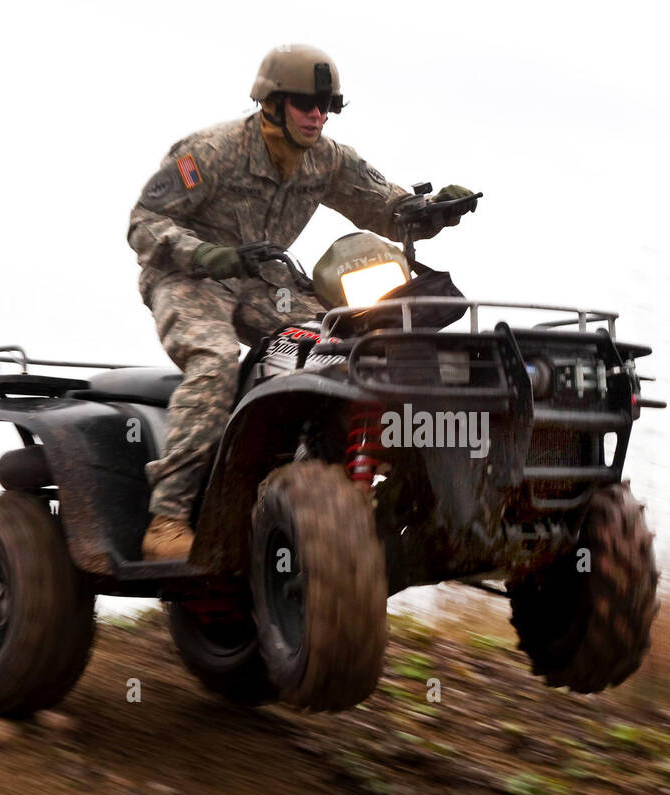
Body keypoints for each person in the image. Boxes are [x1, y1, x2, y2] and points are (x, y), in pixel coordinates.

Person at [127, 43, 475, 560]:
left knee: (345, 345)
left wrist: (430, 211)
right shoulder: (211, 151)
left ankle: (314, 477)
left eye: (326, 106)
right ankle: (168, 519)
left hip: (264, 281)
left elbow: (382, 204)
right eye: (305, 104)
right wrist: (213, 255)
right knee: (216, 361)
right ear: (271, 102)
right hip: (188, 276)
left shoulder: (326, 159)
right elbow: (143, 225)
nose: (317, 115)